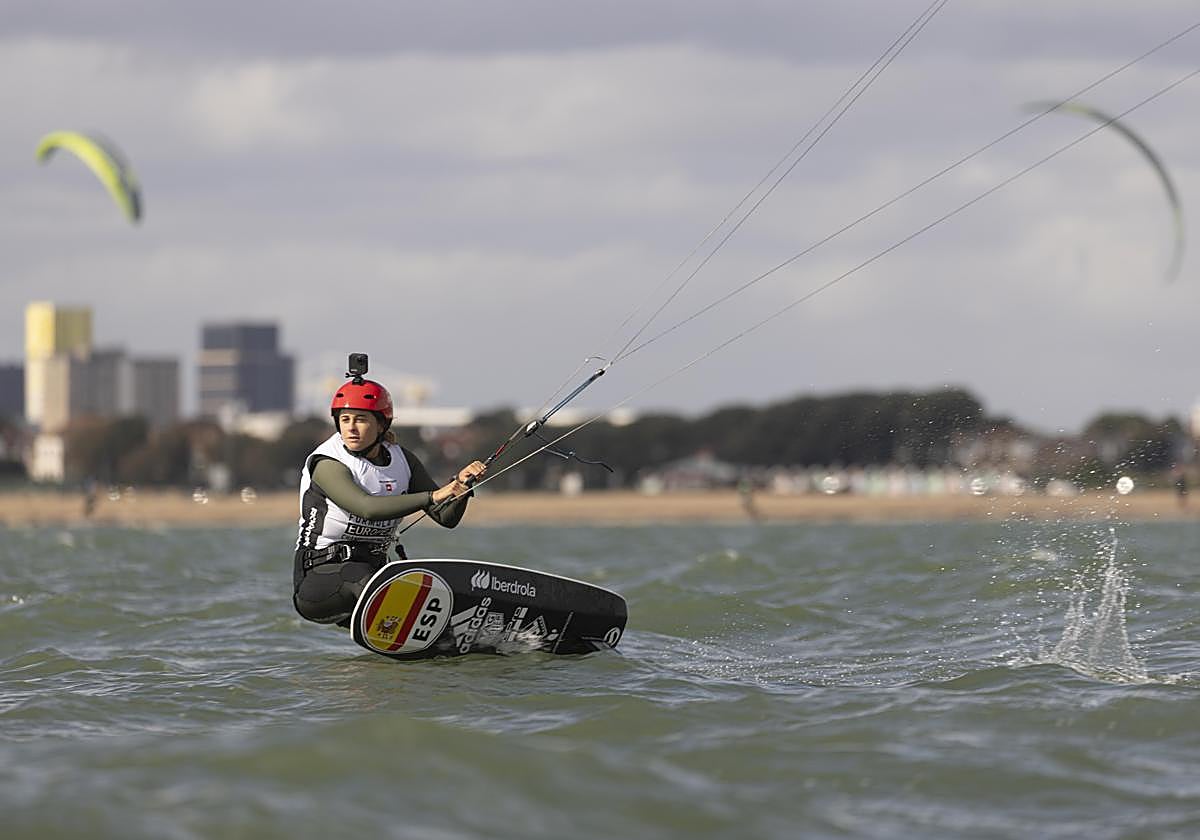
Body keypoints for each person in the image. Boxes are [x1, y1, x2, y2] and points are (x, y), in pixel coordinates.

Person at [293, 374, 486, 628]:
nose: (351, 428)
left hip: (375, 578)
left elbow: (445, 517)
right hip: (318, 582)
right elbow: (367, 508)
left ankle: (469, 632)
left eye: (361, 419)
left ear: (382, 424)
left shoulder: (403, 460)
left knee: (433, 587)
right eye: (345, 419)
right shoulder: (328, 462)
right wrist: (431, 496)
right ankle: (429, 632)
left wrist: (462, 485)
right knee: (361, 576)